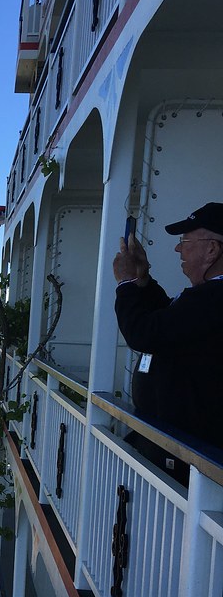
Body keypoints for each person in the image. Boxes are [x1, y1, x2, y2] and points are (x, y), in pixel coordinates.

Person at [112, 201, 223, 481]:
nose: (178, 249)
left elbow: (145, 333)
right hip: (176, 448)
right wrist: (142, 280)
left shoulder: (214, 299)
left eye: (185, 241)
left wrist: (125, 283)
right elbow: (168, 322)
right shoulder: (207, 298)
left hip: (191, 461)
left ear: (212, 249)